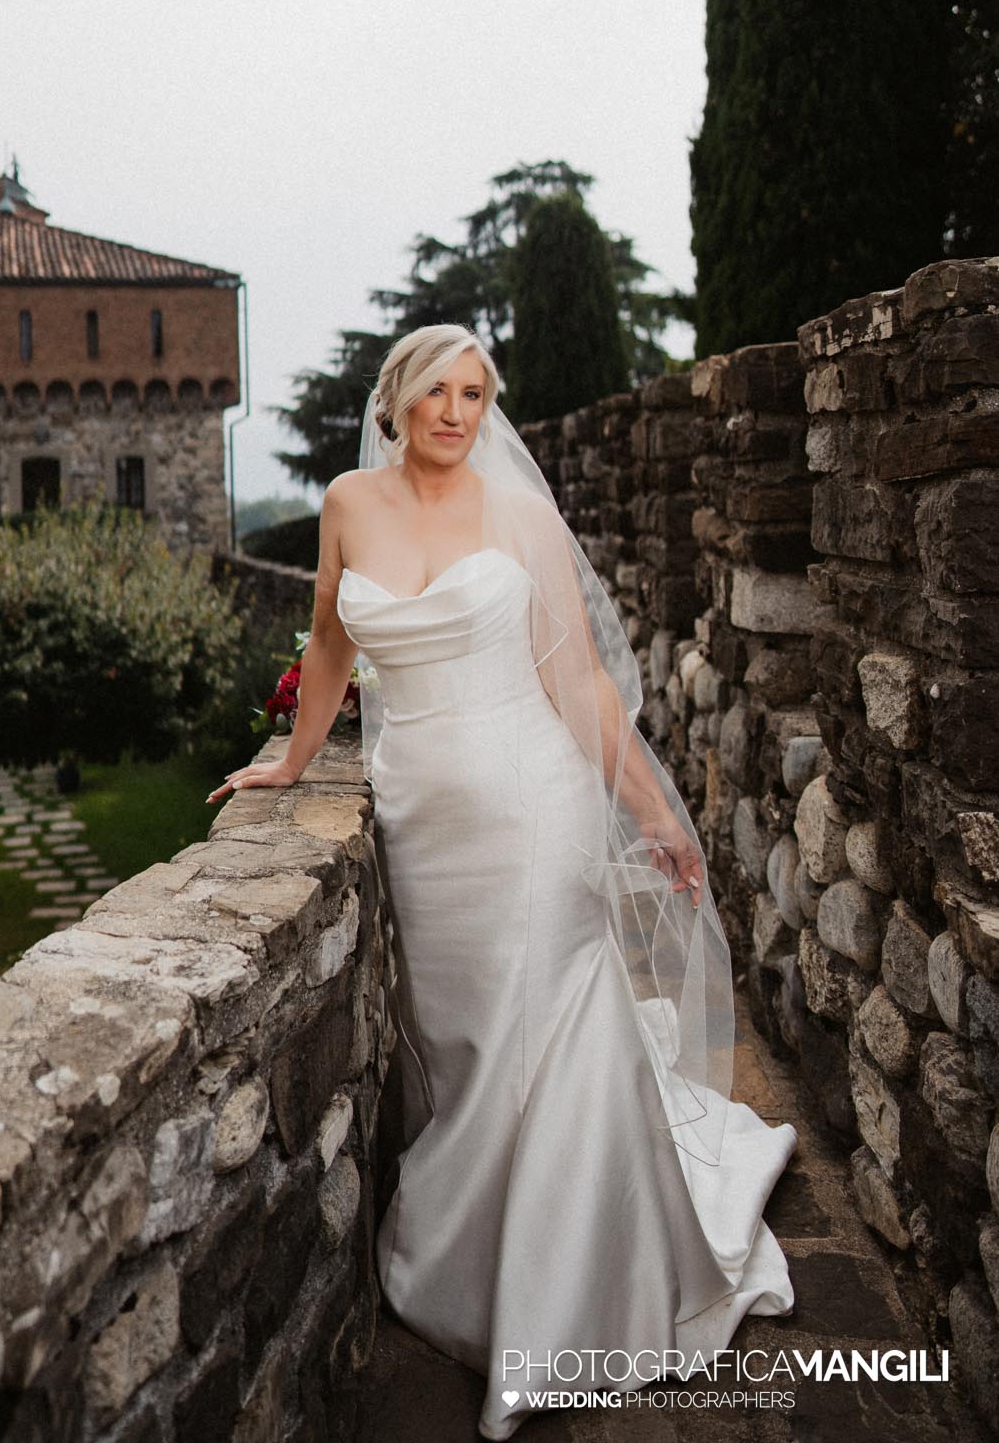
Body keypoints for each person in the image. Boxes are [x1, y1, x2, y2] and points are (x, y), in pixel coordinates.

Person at [209, 323, 797, 1439]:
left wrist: (655, 815)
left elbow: (577, 682)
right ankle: (481, 1265)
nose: (456, 411)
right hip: (425, 821)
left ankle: (571, 1301)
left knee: (554, 1029)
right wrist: (290, 759)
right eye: (438, 390)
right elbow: (334, 644)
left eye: (476, 394)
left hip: (535, 811)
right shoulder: (347, 504)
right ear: (397, 399)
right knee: (466, 1043)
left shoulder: (521, 517)